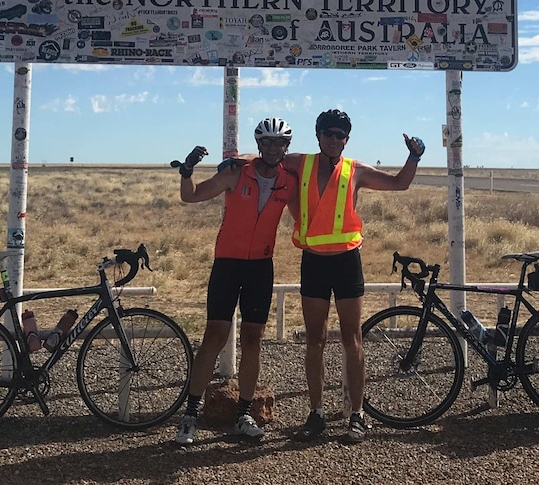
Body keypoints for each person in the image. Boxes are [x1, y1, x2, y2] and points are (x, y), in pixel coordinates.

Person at [233, 109, 425, 443]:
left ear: (346, 139)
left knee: (353, 339)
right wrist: (235, 161)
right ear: (318, 135)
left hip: (347, 262)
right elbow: (266, 155)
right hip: (314, 263)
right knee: (315, 340)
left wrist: (414, 157)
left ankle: (356, 415)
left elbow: (399, 183)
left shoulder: (356, 170)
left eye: (340, 135)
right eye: (328, 133)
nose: (334, 139)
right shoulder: (300, 163)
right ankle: (317, 412)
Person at [173, 117, 298, 445]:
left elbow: (304, 215)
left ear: (286, 146)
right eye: (267, 142)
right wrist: (187, 172)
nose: (273, 147)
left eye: (280, 142)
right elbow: (191, 196)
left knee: (252, 339)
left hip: (261, 267)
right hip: (227, 265)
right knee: (214, 336)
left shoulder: (289, 181)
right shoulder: (234, 173)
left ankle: (244, 413)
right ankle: (189, 415)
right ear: (259, 144)